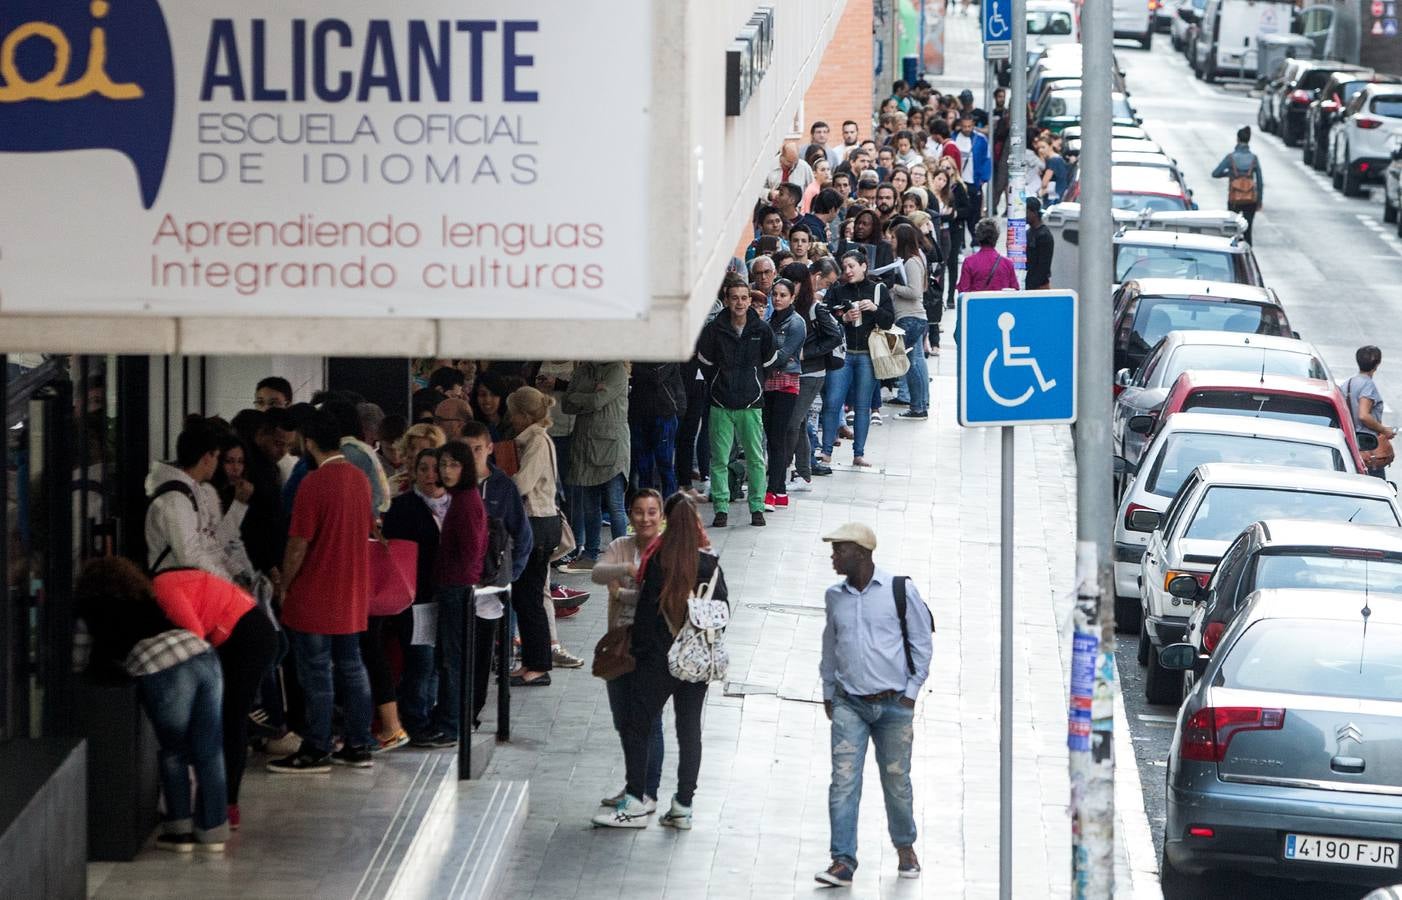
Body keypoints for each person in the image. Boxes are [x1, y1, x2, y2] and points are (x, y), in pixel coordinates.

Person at [76, 558, 231, 852]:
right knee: (208, 749)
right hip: (201, 653)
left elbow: (83, 659)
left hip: (161, 665)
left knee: (174, 750)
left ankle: (180, 830)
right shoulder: (144, 597)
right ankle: (213, 831)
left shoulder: (88, 608)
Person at [593, 494, 727, 830]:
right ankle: (683, 805)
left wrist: (641, 654)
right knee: (689, 730)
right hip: (696, 661)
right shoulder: (710, 562)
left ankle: (637, 801)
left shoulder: (659, 559)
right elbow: (721, 613)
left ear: (666, 519)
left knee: (639, 723)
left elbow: (647, 616)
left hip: (660, 660)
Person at [814, 523, 932, 887]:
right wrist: (829, 691)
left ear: (862, 554)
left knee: (896, 779)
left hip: (895, 704)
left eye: (840, 550)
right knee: (844, 781)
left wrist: (912, 691)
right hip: (850, 703)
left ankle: (905, 847)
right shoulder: (835, 596)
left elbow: (921, 641)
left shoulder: (899, 590)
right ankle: (842, 860)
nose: (834, 557)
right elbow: (830, 644)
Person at [267, 410, 376, 773]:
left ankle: (317, 746)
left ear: (309, 440)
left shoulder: (312, 483)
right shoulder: (360, 479)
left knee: (316, 673)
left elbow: (298, 543)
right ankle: (359, 743)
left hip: (314, 593)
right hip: (352, 591)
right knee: (352, 667)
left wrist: (284, 582)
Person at [149, 566, 278, 831]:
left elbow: (195, 637)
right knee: (229, 721)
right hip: (249, 631)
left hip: (244, 638)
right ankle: (221, 807)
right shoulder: (170, 580)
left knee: (231, 722)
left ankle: (224, 807)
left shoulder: (163, 588)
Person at [592, 489, 667, 813]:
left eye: (652, 512)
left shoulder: (667, 551)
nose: (645, 518)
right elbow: (597, 574)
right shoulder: (620, 546)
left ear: (661, 516)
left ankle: (647, 792)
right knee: (623, 719)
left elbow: (660, 599)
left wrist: (622, 594)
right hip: (619, 644)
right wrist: (626, 570)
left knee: (649, 721)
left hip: (653, 648)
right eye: (639, 511)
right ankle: (633, 785)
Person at [460, 422, 535, 714]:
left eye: (477, 449)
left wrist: (507, 577)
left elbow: (523, 536)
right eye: (466, 449)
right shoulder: (453, 482)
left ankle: (474, 711)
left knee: (481, 652)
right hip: (458, 584)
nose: (472, 455)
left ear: (489, 448)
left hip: (490, 589)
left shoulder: (503, 486)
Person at [695, 272, 779, 528]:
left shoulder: (761, 329)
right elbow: (706, 362)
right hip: (720, 402)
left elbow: (770, 362)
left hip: (751, 402)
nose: (740, 303)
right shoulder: (714, 329)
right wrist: (721, 381)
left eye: (744, 298)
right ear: (726, 299)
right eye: (735, 298)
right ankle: (721, 507)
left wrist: (753, 381)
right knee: (719, 459)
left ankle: (756, 507)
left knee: (755, 457)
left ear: (749, 300)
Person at [421, 442, 488, 745]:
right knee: (450, 658)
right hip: (454, 586)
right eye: (443, 465)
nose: (446, 471)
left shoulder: (466, 502)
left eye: (453, 465)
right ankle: (449, 719)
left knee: (452, 660)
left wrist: (456, 575)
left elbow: (472, 550)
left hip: (456, 588)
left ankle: (451, 725)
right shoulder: (462, 498)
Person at [385, 449, 450, 745]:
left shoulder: (454, 504)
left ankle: (427, 713)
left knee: (436, 661)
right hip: (416, 597)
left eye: (434, 469)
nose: (429, 475)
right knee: (420, 661)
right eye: (422, 469)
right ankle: (415, 719)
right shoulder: (404, 507)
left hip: (445, 596)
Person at [508, 387, 572, 679]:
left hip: (538, 523)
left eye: (513, 414)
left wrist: (498, 483)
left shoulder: (535, 441)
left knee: (529, 598)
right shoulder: (536, 440)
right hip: (542, 523)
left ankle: (539, 665)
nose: (511, 420)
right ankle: (534, 662)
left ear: (522, 415)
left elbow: (522, 484)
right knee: (527, 597)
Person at [820, 252, 895, 468]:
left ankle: (858, 453)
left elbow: (889, 321)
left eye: (852, 266)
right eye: (845, 267)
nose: (848, 271)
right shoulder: (838, 290)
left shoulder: (878, 289)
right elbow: (825, 317)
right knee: (833, 402)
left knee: (863, 405)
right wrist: (842, 318)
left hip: (868, 355)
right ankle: (826, 452)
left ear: (864, 266)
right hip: (842, 354)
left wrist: (874, 308)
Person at [145, 416, 244, 580]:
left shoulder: (193, 490)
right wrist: (227, 580)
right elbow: (190, 555)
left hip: (191, 582)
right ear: (207, 458)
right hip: (179, 585)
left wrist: (233, 572)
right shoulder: (176, 499)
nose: (217, 463)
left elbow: (208, 543)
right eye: (217, 457)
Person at [560, 362, 630, 570]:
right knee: (590, 506)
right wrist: (590, 393)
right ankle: (590, 554)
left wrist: (581, 395)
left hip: (611, 446)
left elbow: (599, 400)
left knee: (615, 504)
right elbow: (566, 404)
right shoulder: (582, 370)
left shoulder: (617, 370)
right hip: (584, 443)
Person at [790, 259, 844, 489]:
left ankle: (786, 473)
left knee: (793, 423)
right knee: (799, 423)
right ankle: (803, 473)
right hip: (795, 373)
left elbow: (834, 336)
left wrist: (807, 354)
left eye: (795, 283)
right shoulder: (791, 306)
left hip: (812, 373)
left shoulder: (815, 307)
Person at [762, 278, 807, 512]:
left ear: (792, 297)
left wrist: (762, 361)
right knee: (771, 437)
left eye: (782, 295)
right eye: (775, 294)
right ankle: (779, 491)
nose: (777, 299)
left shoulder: (796, 323)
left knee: (777, 437)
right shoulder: (769, 320)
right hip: (768, 382)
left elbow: (784, 354)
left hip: (786, 383)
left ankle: (772, 491)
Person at [890, 224, 931, 421]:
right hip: (913, 318)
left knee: (910, 364)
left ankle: (917, 407)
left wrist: (894, 287)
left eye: (894, 238)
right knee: (912, 362)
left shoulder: (911, 263)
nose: (891, 241)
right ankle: (920, 405)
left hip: (911, 318)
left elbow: (915, 291)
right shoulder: (911, 261)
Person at [629, 363, 685, 498]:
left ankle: (669, 509)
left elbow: (657, 376)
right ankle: (650, 508)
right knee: (645, 468)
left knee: (663, 466)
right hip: (642, 414)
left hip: (663, 413)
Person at [1343, 345, 1396, 478]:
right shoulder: (1367, 385)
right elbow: (1364, 415)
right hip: (1368, 447)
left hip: (1350, 442)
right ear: (1377, 364)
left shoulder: (1347, 384)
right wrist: (1384, 430)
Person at [1212, 126, 1263, 244]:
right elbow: (1260, 181)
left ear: (1237, 139)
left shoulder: (1231, 157)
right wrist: (1259, 200)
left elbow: (1215, 173)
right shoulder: (1254, 158)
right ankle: (1247, 256)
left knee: (1232, 230)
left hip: (1234, 198)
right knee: (1248, 231)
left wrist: (1230, 174)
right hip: (1250, 199)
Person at [957, 217, 1020, 296]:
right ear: (996, 237)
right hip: (1001, 307)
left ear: (978, 237)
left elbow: (963, 291)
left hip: (977, 306)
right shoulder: (1008, 263)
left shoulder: (969, 262)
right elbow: (1015, 291)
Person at [1025, 197, 1054, 291]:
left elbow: (1043, 266)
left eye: (1026, 212)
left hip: (1039, 286)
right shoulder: (1029, 232)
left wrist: (1030, 286)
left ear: (1034, 213)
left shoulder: (1044, 235)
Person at [472, 370, 510, 440]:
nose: (487, 400)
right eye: (482, 394)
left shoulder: (510, 424)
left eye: (493, 394)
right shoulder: (471, 425)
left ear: (501, 397)